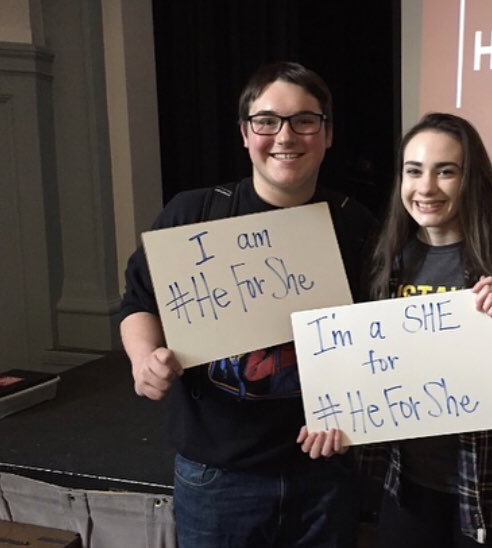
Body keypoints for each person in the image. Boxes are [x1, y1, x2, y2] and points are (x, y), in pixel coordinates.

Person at [120, 61, 375, 547]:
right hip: (218, 476)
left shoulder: (356, 224)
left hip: (324, 470)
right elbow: (138, 300)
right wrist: (143, 358)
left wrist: (354, 411)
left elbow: (377, 335)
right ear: (245, 133)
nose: (285, 135)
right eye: (267, 121)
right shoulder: (192, 213)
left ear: (327, 134)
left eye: (305, 120)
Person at [365, 113, 492, 547]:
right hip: (406, 483)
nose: (426, 188)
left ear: (471, 179)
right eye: (414, 171)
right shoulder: (389, 261)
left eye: (446, 171)